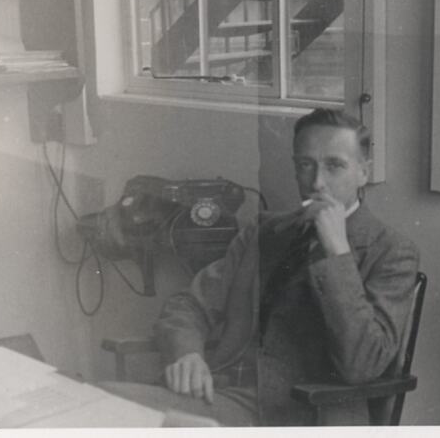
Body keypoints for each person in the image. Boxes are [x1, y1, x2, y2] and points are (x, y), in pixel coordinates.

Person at [105, 108, 419, 426]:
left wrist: (337, 253)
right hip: (218, 391)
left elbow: (362, 364)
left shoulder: (391, 252)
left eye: (334, 166)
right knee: (99, 402)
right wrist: (187, 353)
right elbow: (189, 304)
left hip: (299, 413)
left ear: (364, 172)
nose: (317, 182)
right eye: (305, 165)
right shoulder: (266, 231)